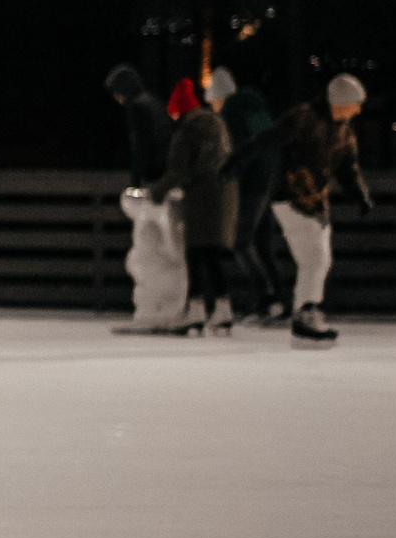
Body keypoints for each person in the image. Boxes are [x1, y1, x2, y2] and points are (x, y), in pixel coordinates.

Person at [271, 73, 372, 345]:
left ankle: (307, 313)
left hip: (316, 204)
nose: (358, 110)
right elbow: (268, 140)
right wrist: (237, 164)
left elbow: (349, 168)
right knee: (315, 259)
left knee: (320, 260)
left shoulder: (343, 129)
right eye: (354, 103)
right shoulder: (305, 118)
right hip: (289, 197)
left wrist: (360, 196)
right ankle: (305, 317)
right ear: (340, 101)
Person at [150, 76, 236, 335]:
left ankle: (196, 310)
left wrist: (158, 191)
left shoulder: (188, 129)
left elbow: (178, 168)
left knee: (196, 253)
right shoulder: (216, 121)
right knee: (212, 253)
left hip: (202, 194)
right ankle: (222, 309)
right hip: (226, 192)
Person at [212, 68, 285, 325]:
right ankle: (277, 300)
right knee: (262, 244)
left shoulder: (231, 111)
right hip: (269, 181)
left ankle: (267, 299)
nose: (214, 108)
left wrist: (231, 174)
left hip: (252, 184)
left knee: (240, 240)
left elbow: (241, 149)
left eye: (214, 102)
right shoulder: (256, 109)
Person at [106, 63, 174, 188]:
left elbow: (141, 146)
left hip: (155, 173)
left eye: (116, 92)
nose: (117, 98)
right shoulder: (154, 102)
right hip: (170, 169)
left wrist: (136, 181)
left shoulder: (137, 108)